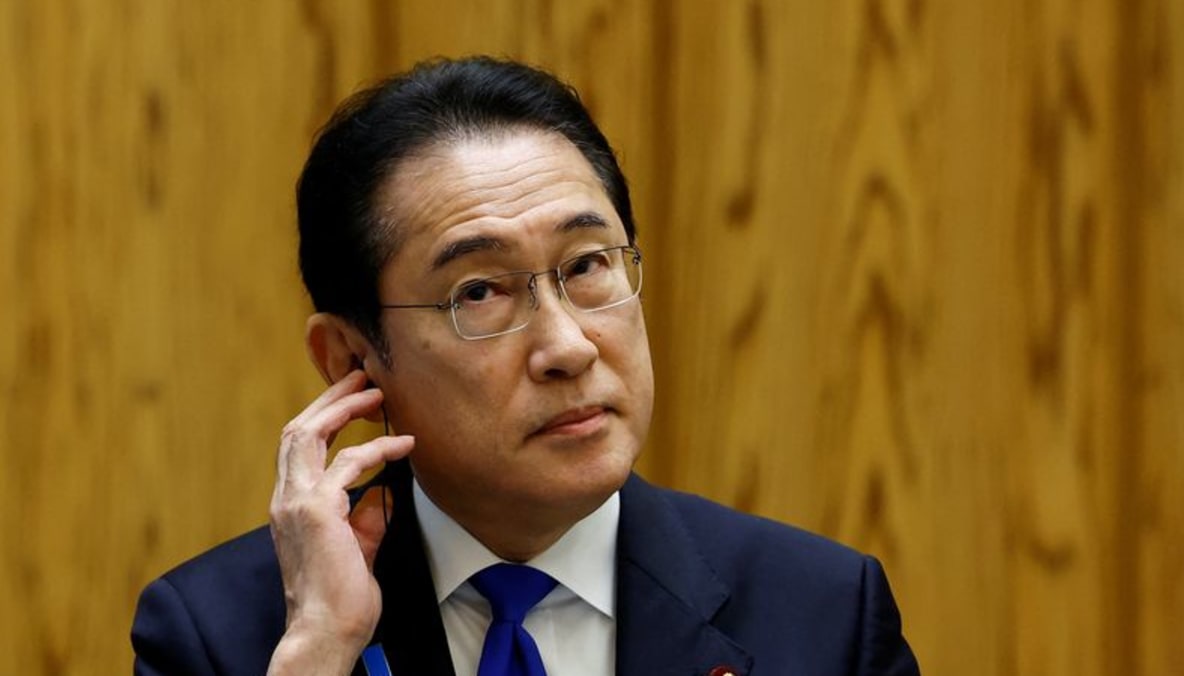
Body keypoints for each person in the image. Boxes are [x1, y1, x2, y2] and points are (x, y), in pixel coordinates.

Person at [131, 56, 920, 676]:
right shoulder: (218, 636)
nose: (569, 347)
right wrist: (320, 651)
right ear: (351, 357)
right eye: (479, 292)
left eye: (587, 266)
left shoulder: (822, 615)